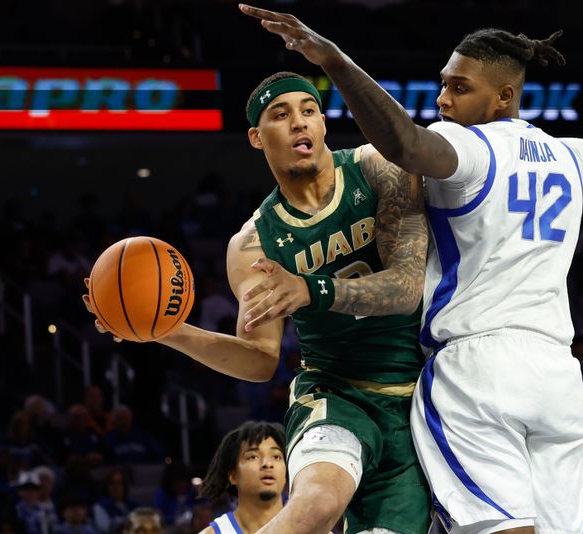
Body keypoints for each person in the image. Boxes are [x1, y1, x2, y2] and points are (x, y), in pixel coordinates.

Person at [238, 5, 583, 533]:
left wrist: (336, 62)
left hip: (477, 369)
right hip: (558, 380)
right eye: (443, 85)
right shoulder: (571, 154)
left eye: (459, 88)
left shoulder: (466, 145)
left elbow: (403, 143)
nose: (443, 100)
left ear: (503, 96)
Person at [84, 70, 431, 534]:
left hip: (418, 398)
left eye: (309, 111)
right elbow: (261, 360)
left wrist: (312, 289)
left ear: (324, 124)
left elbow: (406, 289)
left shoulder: (375, 168)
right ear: (255, 136)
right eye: (281, 114)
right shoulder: (253, 243)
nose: (299, 123)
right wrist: (167, 330)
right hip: (334, 392)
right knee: (317, 504)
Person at [197, 421, 286, 533]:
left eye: (276, 457)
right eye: (253, 457)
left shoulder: (309, 528)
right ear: (233, 475)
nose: (267, 464)